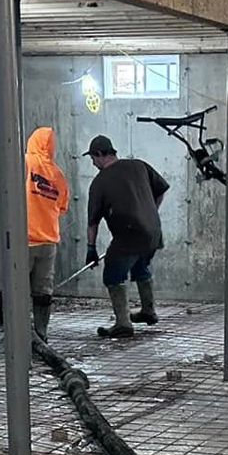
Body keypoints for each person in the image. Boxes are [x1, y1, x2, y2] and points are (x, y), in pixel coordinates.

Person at [84, 134, 169, 339]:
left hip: (128, 234)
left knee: (113, 274)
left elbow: (93, 222)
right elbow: (162, 189)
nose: (93, 163)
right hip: (152, 231)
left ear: (101, 154)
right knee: (140, 266)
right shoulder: (139, 165)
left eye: (93, 158)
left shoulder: (99, 182)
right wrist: (150, 212)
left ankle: (123, 324)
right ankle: (148, 311)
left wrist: (91, 248)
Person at [26, 126, 70, 339]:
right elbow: (61, 208)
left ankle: (18, 335)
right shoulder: (58, 174)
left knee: (16, 289)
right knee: (43, 291)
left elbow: (1, 186)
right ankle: (41, 334)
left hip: (24, 240)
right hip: (48, 242)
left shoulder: (24, 162)